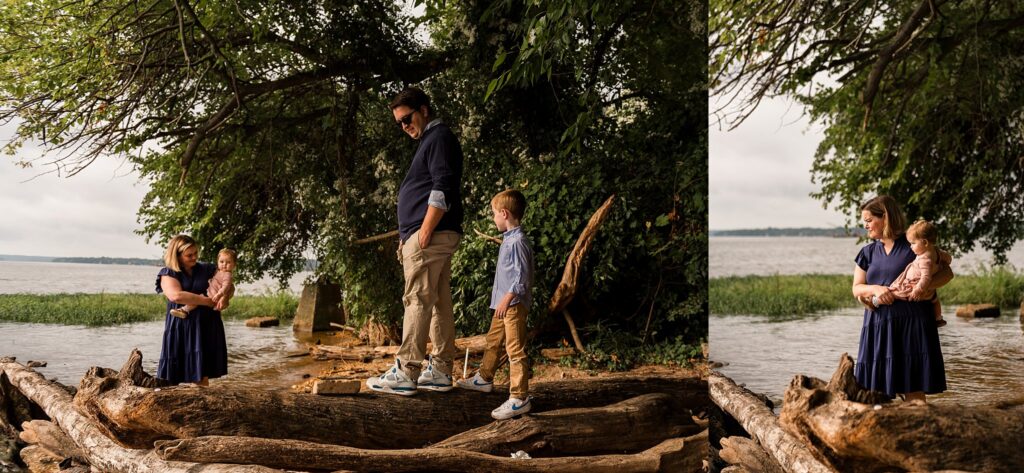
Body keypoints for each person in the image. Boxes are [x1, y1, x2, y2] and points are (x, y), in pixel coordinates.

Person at [367, 87, 464, 396]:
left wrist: (423, 231)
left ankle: (407, 370)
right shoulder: (432, 140)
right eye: (399, 123)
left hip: (431, 235)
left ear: (423, 109)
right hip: (434, 235)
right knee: (438, 302)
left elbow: (443, 185)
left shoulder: (437, 138)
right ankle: (440, 370)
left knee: (417, 299)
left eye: (407, 118)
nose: (404, 126)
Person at [852, 196, 951, 402]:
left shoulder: (913, 245)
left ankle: (920, 431)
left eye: (869, 220)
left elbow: (947, 273)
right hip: (878, 327)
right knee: (873, 394)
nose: (866, 225)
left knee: (913, 392)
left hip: (912, 326)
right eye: (865, 221)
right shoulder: (867, 252)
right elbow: (857, 288)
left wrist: (926, 289)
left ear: (885, 217)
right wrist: (875, 289)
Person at [456, 189, 535, 419]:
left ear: (504, 213)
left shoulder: (518, 241)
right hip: (503, 306)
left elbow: (522, 277)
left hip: (513, 305)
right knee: (493, 341)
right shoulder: (509, 239)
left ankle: (519, 397)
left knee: (515, 349)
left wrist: (508, 298)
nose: (493, 219)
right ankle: (484, 378)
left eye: (494, 214)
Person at [156, 235, 228, 386]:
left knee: (200, 374)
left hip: (206, 326)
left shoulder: (207, 268)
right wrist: (207, 301)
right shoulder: (168, 273)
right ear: (177, 255)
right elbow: (176, 296)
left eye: (196, 253)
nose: (194, 257)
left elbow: (227, 283)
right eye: (189, 255)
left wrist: (226, 297)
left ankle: (202, 407)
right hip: (180, 326)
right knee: (171, 376)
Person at [871, 220, 948, 327]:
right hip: (927, 290)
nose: (911, 247)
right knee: (935, 300)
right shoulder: (936, 251)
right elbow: (948, 258)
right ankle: (938, 317)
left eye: (913, 243)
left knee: (895, 293)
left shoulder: (925, 259)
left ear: (925, 242)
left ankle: (876, 301)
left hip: (913, 286)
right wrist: (941, 263)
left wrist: (918, 289)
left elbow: (926, 277)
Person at [170, 248, 237, 319]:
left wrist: (220, 294)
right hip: (211, 292)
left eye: (228, 262)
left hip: (213, 295)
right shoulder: (218, 271)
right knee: (196, 301)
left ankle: (184, 310)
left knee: (195, 301)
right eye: (221, 262)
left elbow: (226, 286)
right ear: (217, 262)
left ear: (234, 265)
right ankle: (184, 310)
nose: (224, 264)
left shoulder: (227, 275)